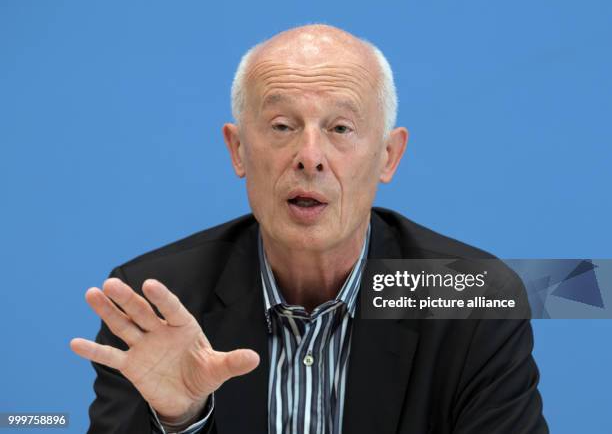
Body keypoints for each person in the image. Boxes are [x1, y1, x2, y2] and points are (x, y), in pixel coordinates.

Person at [70, 24, 548, 434]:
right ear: (238, 150)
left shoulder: (474, 300)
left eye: (340, 128)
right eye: (281, 126)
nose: (310, 156)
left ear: (388, 156)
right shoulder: (156, 304)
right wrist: (181, 419)